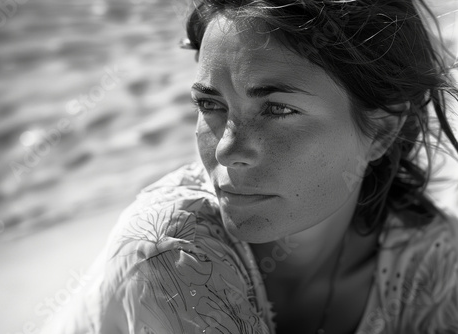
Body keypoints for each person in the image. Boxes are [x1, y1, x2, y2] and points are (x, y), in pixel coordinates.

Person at [42, 0, 458, 333]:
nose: (227, 150)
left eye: (277, 109)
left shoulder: (426, 255)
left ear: (381, 131)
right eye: (210, 105)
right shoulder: (172, 262)